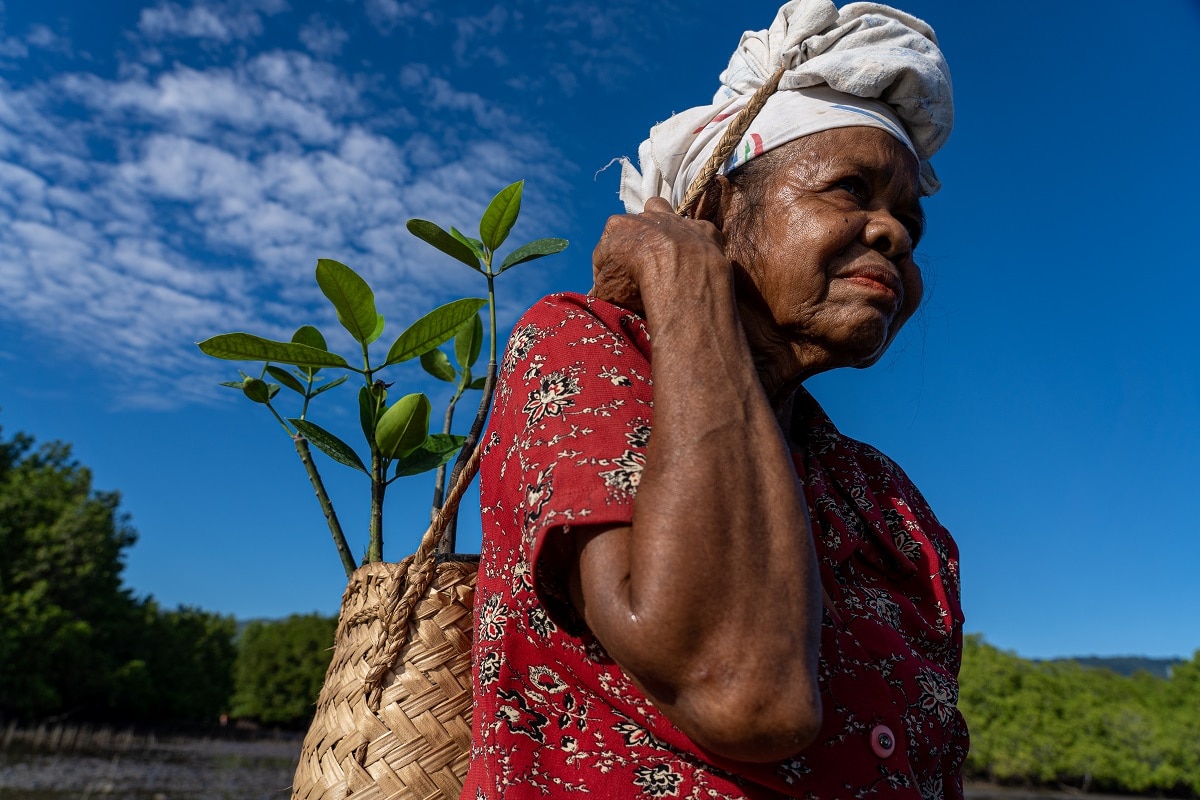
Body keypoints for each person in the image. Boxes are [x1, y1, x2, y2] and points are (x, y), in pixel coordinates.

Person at [462, 1, 966, 797]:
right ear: (716, 212)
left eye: (909, 219)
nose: (893, 234)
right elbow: (745, 693)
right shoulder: (589, 347)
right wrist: (684, 278)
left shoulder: (889, 505)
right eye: (850, 190)